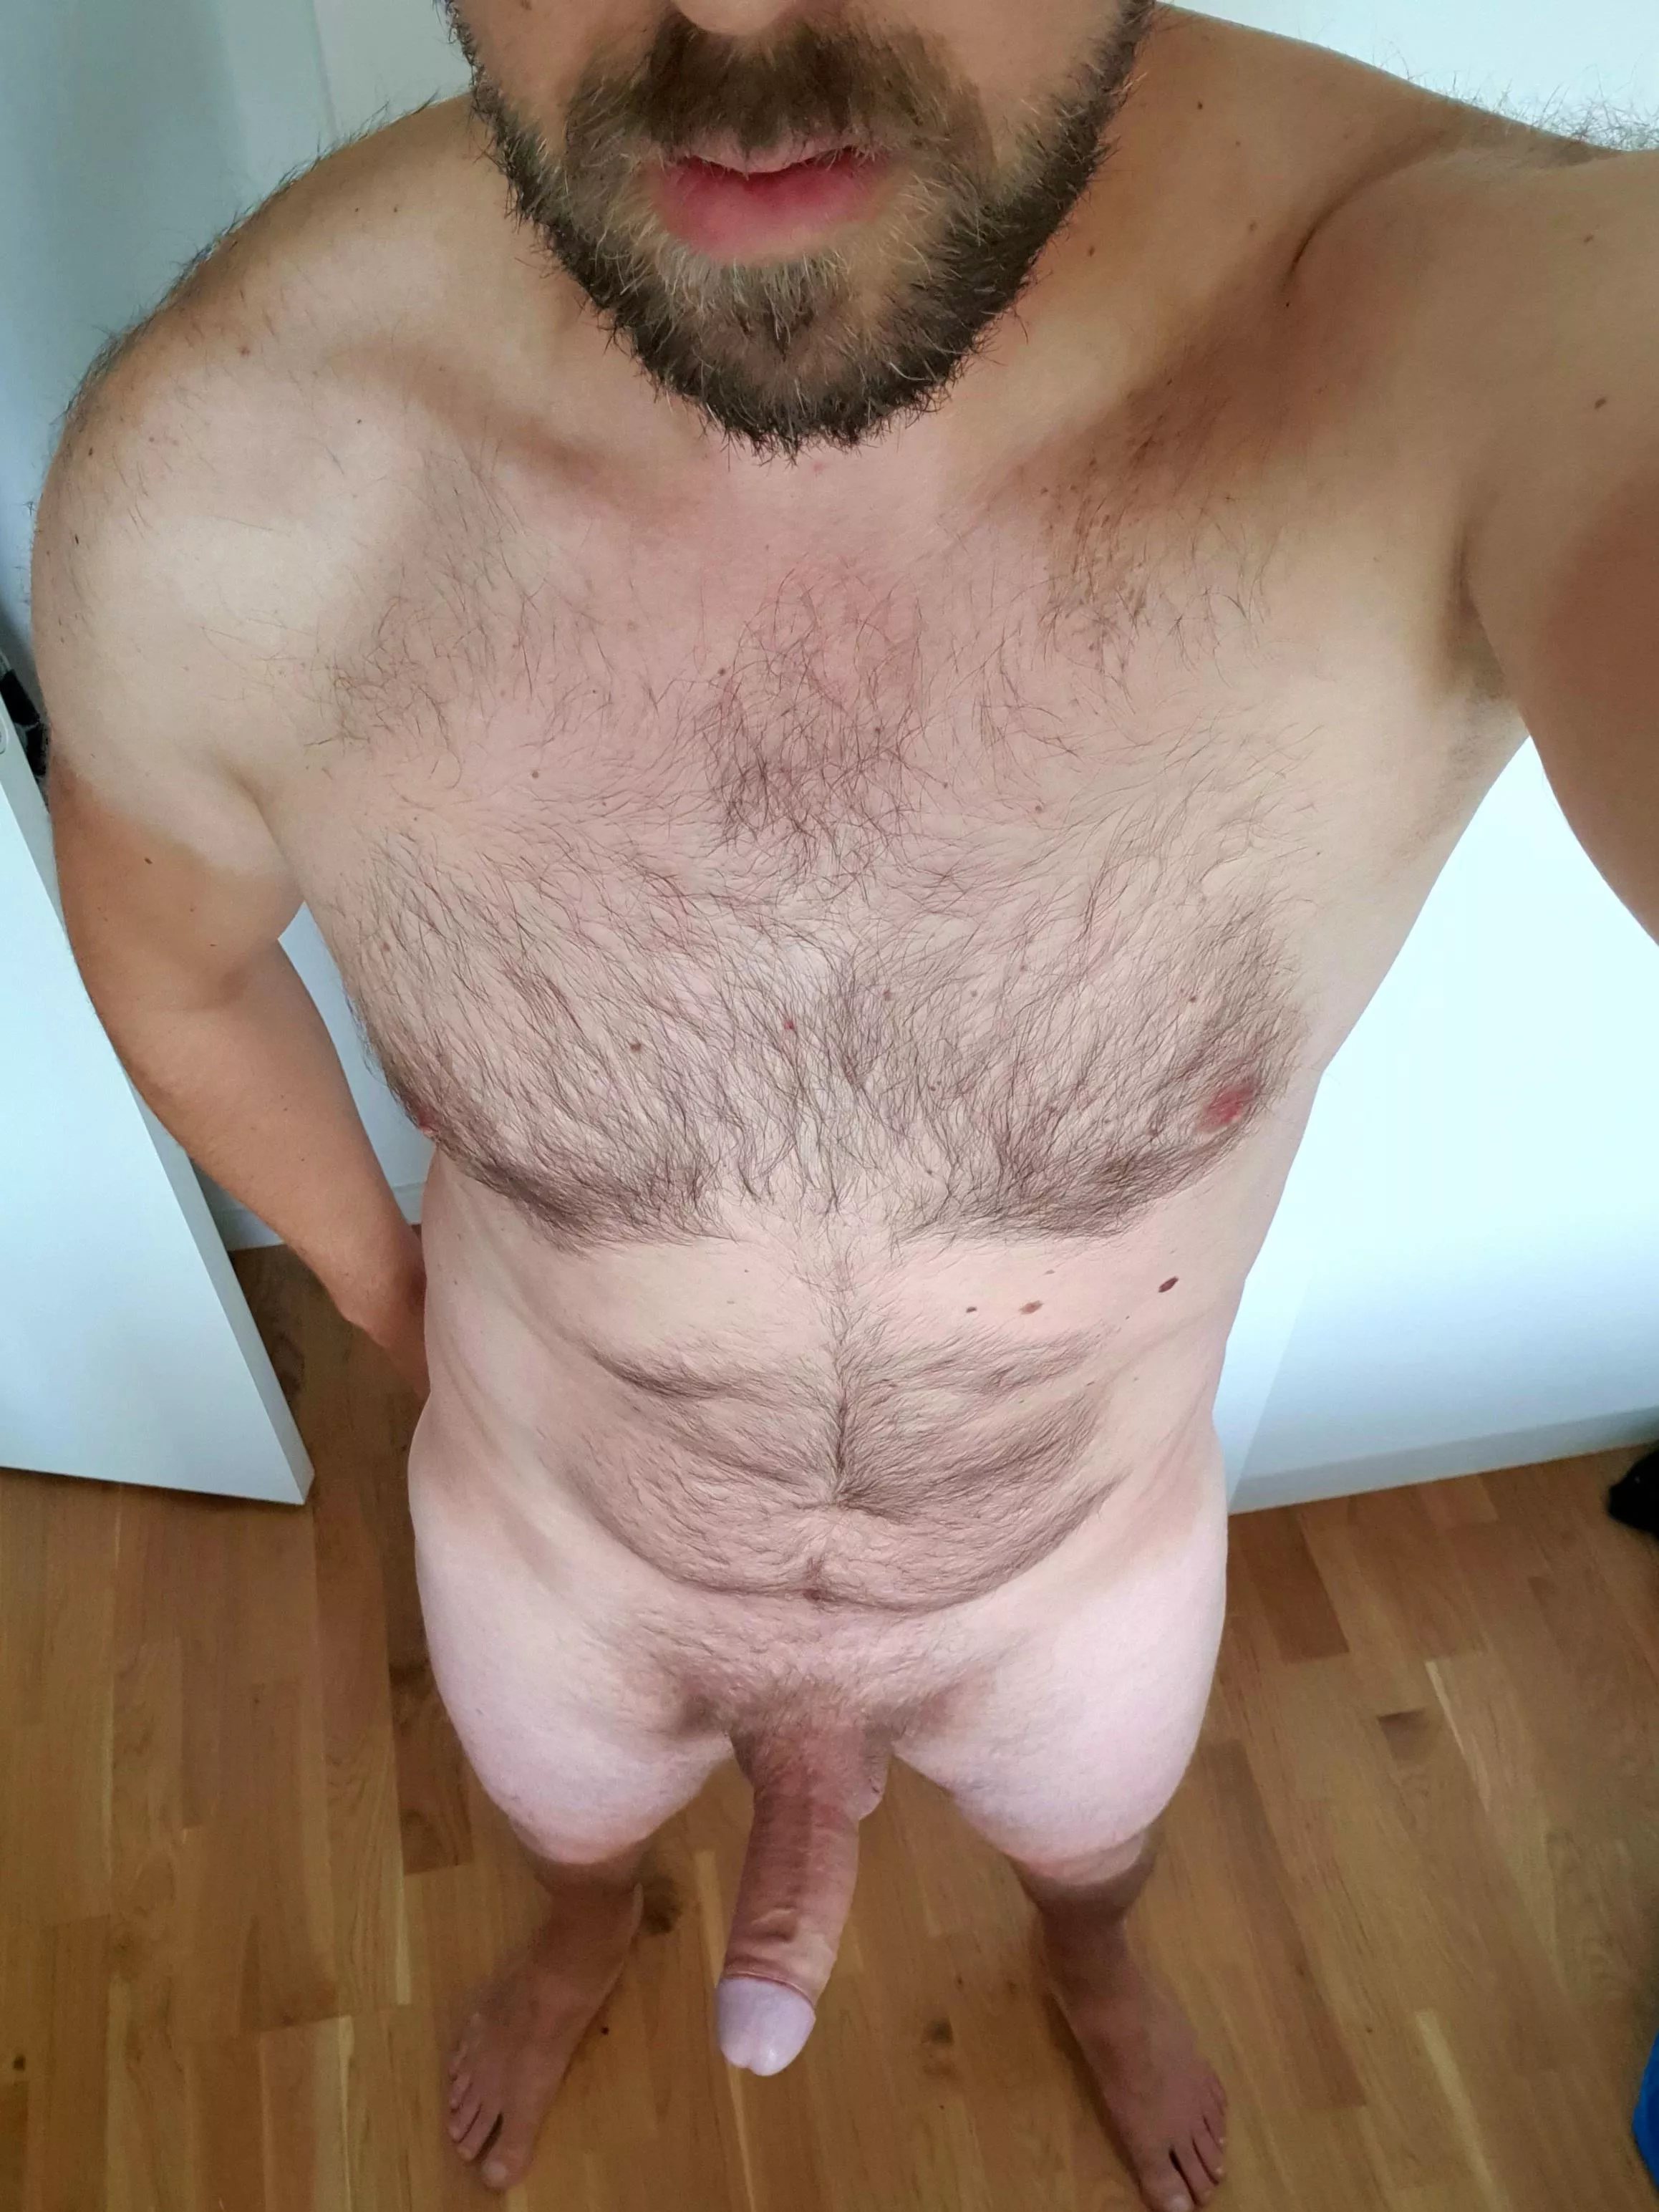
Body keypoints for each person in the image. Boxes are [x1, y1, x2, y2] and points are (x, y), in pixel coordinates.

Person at [30, 2, 1659, 2203]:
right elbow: (179, 974)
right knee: (568, 1846)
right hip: (557, 1560)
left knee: (1094, 1867)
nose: (730, 14)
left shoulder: (1507, 331)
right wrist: (393, 1305)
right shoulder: (224, 480)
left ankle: (1091, 1972)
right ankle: (580, 1936)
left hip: (1068, 1582)